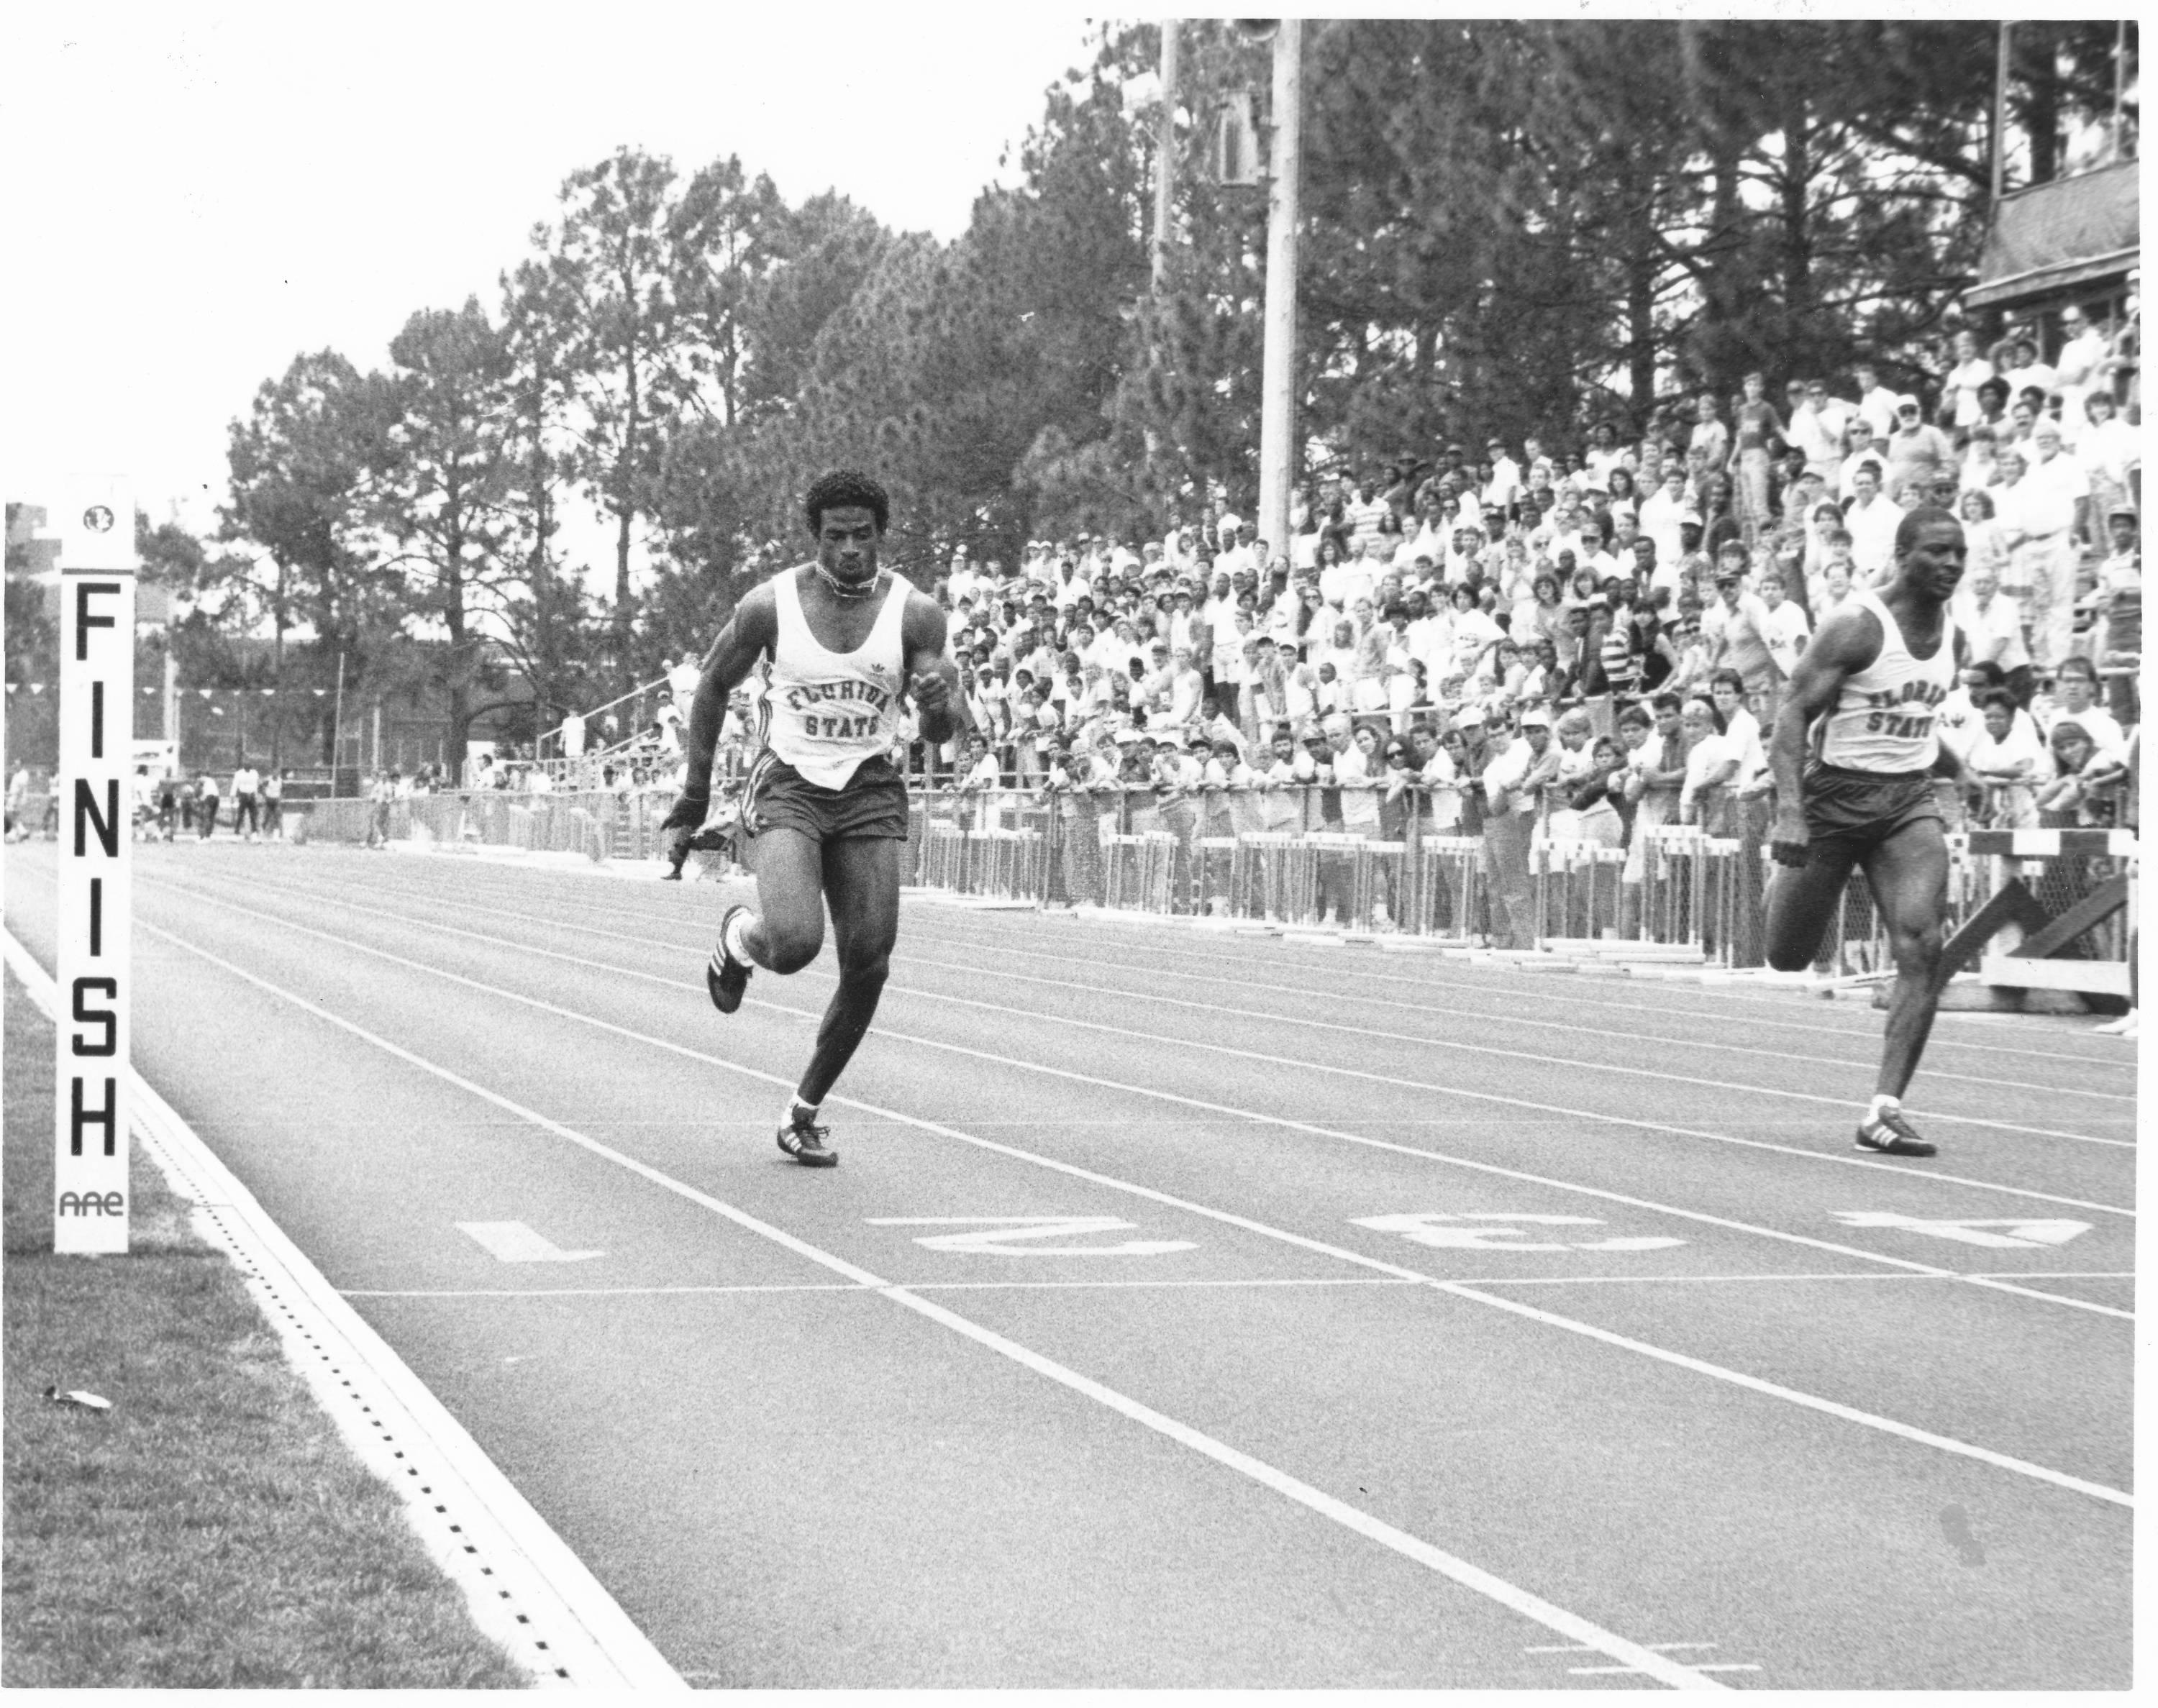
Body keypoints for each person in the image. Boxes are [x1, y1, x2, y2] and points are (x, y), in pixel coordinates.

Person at [663, 470, 963, 1169]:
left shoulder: (916, 614)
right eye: (837, 536)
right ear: (815, 537)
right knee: (796, 940)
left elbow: (946, 728)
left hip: (868, 786)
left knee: (869, 961)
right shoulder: (771, 606)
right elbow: (711, 683)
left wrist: (935, 701)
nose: (851, 548)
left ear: (882, 537)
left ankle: (803, 1110)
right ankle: (741, 936)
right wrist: (695, 789)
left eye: (864, 535)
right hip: (789, 782)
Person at [1764, 506, 1967, 1158]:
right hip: (1834, 800)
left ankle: (1884, 1109)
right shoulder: (1855, 624)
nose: (1952, 564)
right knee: (1787, 953)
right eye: (1938, 552)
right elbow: (1793, 712)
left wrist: (1960, 770)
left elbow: (1914, 715)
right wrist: (1791, 809)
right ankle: (1781, 887)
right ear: (1903, 554)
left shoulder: (1953, 633)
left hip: (1907, 802)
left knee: (1923, 943)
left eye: (1960, 553)